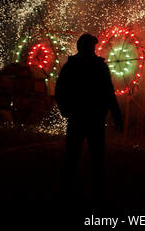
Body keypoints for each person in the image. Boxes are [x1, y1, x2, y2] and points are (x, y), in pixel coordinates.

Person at [55, 33, 123, 205]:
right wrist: (116, 116)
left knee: (72, 157)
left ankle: (66, 193)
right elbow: (109, 93)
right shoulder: (98, 66)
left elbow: (60, 90)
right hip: (94, 119)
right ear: (89, 47)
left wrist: (66, 111)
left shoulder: (72, 65)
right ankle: (97, 195)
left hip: (77, 118)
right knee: (96, 159)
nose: (94, 49)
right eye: (92, 46)